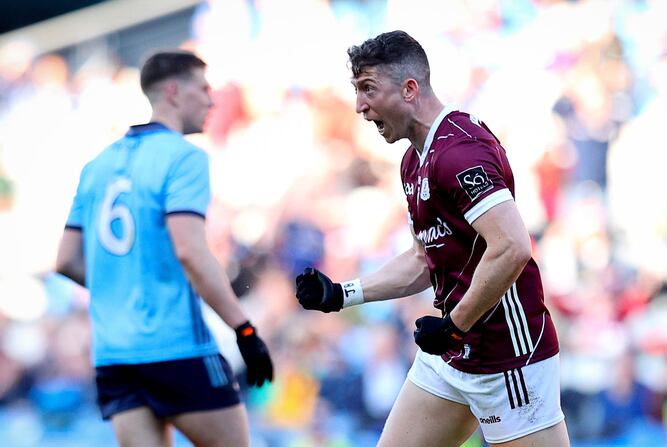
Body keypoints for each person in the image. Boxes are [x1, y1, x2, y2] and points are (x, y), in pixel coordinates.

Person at [295, 30, 570, 447]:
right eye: (356, 91)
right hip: (452, 353)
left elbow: (512, 246)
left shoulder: (460, 151)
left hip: (506, 357)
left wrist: (455, 326)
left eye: (368, 89)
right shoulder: (413, 161)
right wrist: (341, 293)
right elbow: (424, 260)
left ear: (409, 89)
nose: (360, 107)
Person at [55, 50, 273, 447]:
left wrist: (126, 288)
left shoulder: (97, 166)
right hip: (175, 346)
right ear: (173, 91)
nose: (212, 100)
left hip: (115, 355)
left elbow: (66, 260)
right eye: (203, 89)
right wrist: (244, 329)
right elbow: (190, 251)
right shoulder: (183, 157)